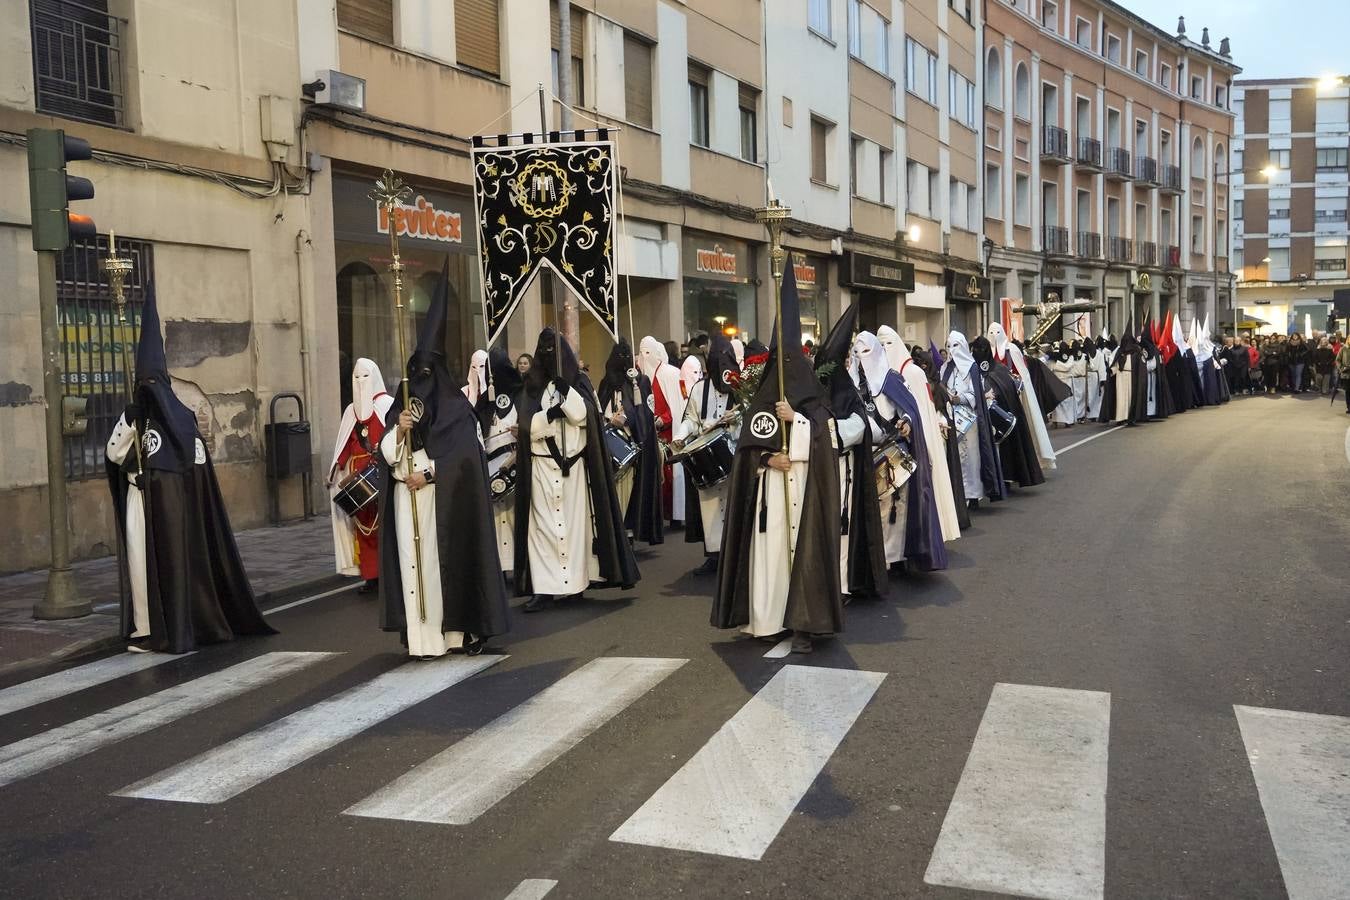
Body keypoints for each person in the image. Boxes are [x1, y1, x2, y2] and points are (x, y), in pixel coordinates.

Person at [105, 284, 274, 654]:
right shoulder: (133, 417)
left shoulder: (181, 420)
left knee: (174, 569)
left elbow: (196, 468)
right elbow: (114, 455)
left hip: (175, 516)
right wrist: (128, 426)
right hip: (140, 506)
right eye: (142, 384)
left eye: (152, 383)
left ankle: (180, 627)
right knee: (141, 568)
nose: (147, 390)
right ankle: (146, 629)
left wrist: (167, 486)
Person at [712, 265, 843, 654]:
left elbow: (825, 440)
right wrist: (768, 460)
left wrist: (796, 421)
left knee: (805, 556)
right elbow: (746, 451)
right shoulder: (762, 402)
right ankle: (768, 620)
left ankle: (804, 625)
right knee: (770, 559)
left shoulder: (815, 404)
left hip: (805, 491)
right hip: (770, 495)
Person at [379, 267, 510, 657]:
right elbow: (385, 451)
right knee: (412, 565)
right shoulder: (402, 405)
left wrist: (429, 473)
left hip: (441, 501)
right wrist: (399, 432)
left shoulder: (457, 410)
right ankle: (420, 638)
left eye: (427, 373)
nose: (420, 380)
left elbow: (468, 457)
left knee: (441, 567)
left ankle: (453, 634)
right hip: (405, 497)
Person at [513, 328, 639, 612]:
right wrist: (548, 415)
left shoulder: (578, 382)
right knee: (542, 530)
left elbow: (585, 416)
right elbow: (526, 427)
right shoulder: (532, 385)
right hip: (542, 467)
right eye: (544, 350)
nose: (548, 356)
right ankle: (545, 589)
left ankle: (575, 584)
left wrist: (566, 391)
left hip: (574, 468)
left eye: (553, 350)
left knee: (575, 528)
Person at [855, 331, 947, 572]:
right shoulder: (853, 384)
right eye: (857, 352)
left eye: (866, 351)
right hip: (866, 453)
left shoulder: (892, 379)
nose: (862, 357)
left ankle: (895, 558)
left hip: (894, 452)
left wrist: (906, 422)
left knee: (896, 509)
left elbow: (909, 409)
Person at [815, 303, 887, 600]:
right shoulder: (813, 393)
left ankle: (842, 584)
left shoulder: (847, 393)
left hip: (842, 470)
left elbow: (858, 426)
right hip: (817, 468)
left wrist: (822, 430)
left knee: (841, 529)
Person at [876, 326, 962, 544]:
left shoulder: (913, 372)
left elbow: (922, 408)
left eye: (888, 344)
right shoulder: (882, 374)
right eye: (880, 345)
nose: (885, 349)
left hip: (919, 436)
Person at [674, 335, 740, 574]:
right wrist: (680, 436)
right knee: (709, 506)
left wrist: (737, 418)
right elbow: (691, 419)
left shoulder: (740, 387)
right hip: (708, 454)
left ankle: (735, 555)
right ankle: (714, 554)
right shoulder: (699, 389)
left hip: (733, 452)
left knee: (734, 505)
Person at [328, 358, 395, 593]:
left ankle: (388, 574)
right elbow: (345, 444)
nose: (360, 381)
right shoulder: (351, 411)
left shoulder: (387, 405)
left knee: (386, 525)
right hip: (357, 477)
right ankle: (371, 576)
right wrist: (336, 467)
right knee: (363, 529)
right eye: (356, 377)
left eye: (365, 376)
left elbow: (396, 437)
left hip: (381, 472)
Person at [597, 339, 664, 546]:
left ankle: (627, 533)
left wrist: (628, 418)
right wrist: (608, 420)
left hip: (631, 444)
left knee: (629, 490)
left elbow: (645, 413)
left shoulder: (639, 382)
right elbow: (598, 408)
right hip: (609, 442)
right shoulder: (606, 383)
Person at [472, 347, 523, 572]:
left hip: (515, 462)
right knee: (494, 518)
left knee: (515, 516)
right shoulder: (484, 401)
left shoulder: (521, 394)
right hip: (490, 464)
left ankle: (520, 566)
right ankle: (498, 568)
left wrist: (523, 431)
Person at [942, 331, 1006, 509]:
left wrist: (960, 398)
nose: (951, 350)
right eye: (949, 346)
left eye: (955, 345)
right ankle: (957, 494)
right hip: (951, 418)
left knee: (971, 457)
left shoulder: (972, 368)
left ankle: (972, 495)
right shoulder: (944, 368)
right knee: (953, 456)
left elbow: (975, 393)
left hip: (969, 420)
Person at [974, 335, 1044, 487]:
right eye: (976, 349)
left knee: (1004, 450)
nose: (979, 352)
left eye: (982, 349)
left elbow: (1008, 390)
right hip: (980, 415)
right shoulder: (972, 370)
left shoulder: (1000, 369)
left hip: (1001, 417)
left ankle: (1005, 478)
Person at [987, 323, 1057, 471]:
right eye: (991, 333)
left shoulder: (1011, 350)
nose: (994, 336)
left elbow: (1023, 372)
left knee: (1019, 429)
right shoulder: (986, 351)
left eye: (997, 332)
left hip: (1014, 396)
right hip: (993, 398)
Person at [638, 336, 687, 527]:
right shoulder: (643, 378)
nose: (644, 357)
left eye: (647, 352)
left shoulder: (670, 374)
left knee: (671, 475)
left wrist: (663, 419)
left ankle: (675, 515)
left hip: (669, 433)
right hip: (652, 433)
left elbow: (678, 404)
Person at [1337, 338, 1350, 412]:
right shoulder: (1343, 349)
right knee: (1348, 391)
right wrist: (1341, 368)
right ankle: (1349, 407)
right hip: (1346, 374)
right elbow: (1338, 360)